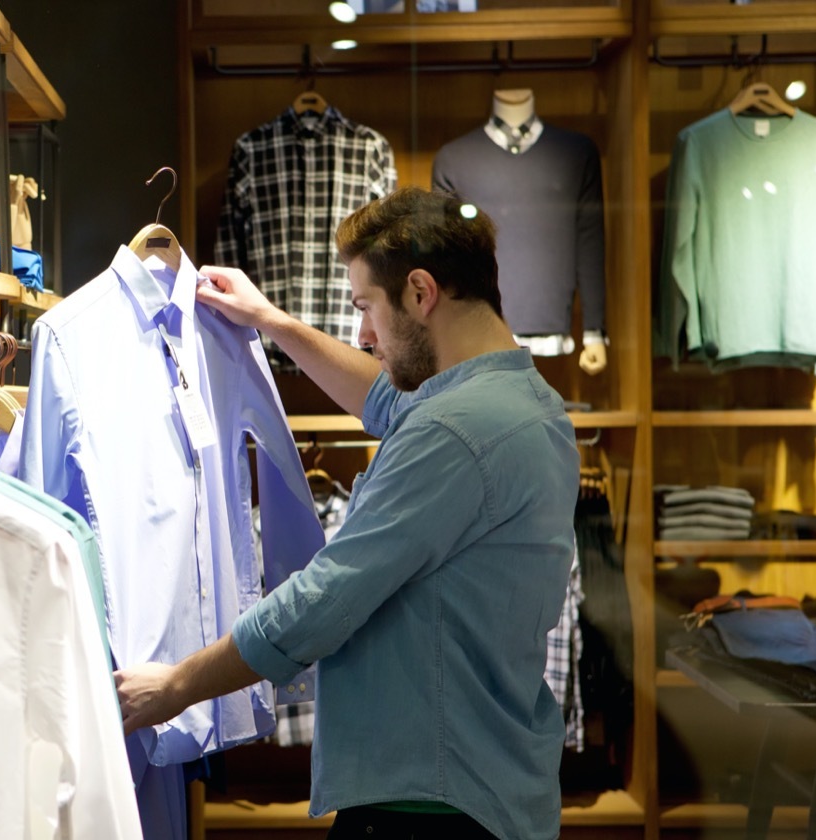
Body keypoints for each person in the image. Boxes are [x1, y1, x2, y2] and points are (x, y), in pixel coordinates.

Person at [113, 186, 580, 840]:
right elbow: (383, 398)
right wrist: (271, 321)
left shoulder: (453, 432)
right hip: (480, 783)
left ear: (421, 293)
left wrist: (177, 686)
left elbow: (325, 598)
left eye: (365, 307)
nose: (362, 332)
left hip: (429, 809)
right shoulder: (520, 401)